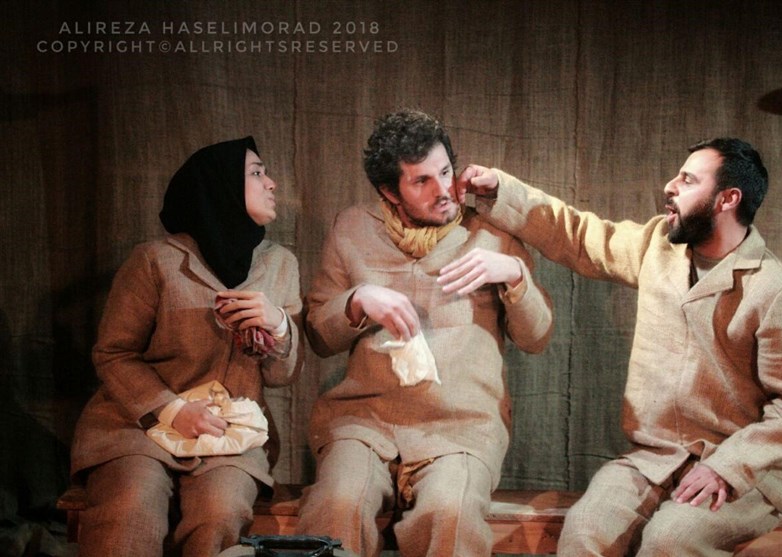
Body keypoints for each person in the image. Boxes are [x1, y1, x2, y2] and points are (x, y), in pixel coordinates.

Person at [451, 138, 782, 556]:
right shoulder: (658, 246)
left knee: (668, 540)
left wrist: (726, 469)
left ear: (728, 199)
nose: (670, 186)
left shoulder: (778, 290)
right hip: (654, 459)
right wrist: (500, 192)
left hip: (743, 474)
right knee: (585, 530)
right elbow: (578, 235)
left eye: (688, 180)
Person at [295, 109, 554, 557]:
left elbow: (538, 337)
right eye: (421, 181)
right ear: (389, 192)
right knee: (337, 505)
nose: (444, 191)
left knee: (450, 516)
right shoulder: (353, 228)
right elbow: (319, 336)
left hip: (460, 428)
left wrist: (514, 274)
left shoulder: (491, 230)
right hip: (365, 422)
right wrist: (357, 300)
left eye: (446, 172)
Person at [70, 137, 304, 557]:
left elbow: (282, 376)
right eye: (256, 173)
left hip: (228, 435)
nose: (271, 183)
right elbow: (114, 353)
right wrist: (173, 410)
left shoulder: (281, 264)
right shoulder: (155, 260)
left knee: (220, 511)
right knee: (131, 507)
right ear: (220, 186)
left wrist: (279, 326)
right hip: (138, 428)